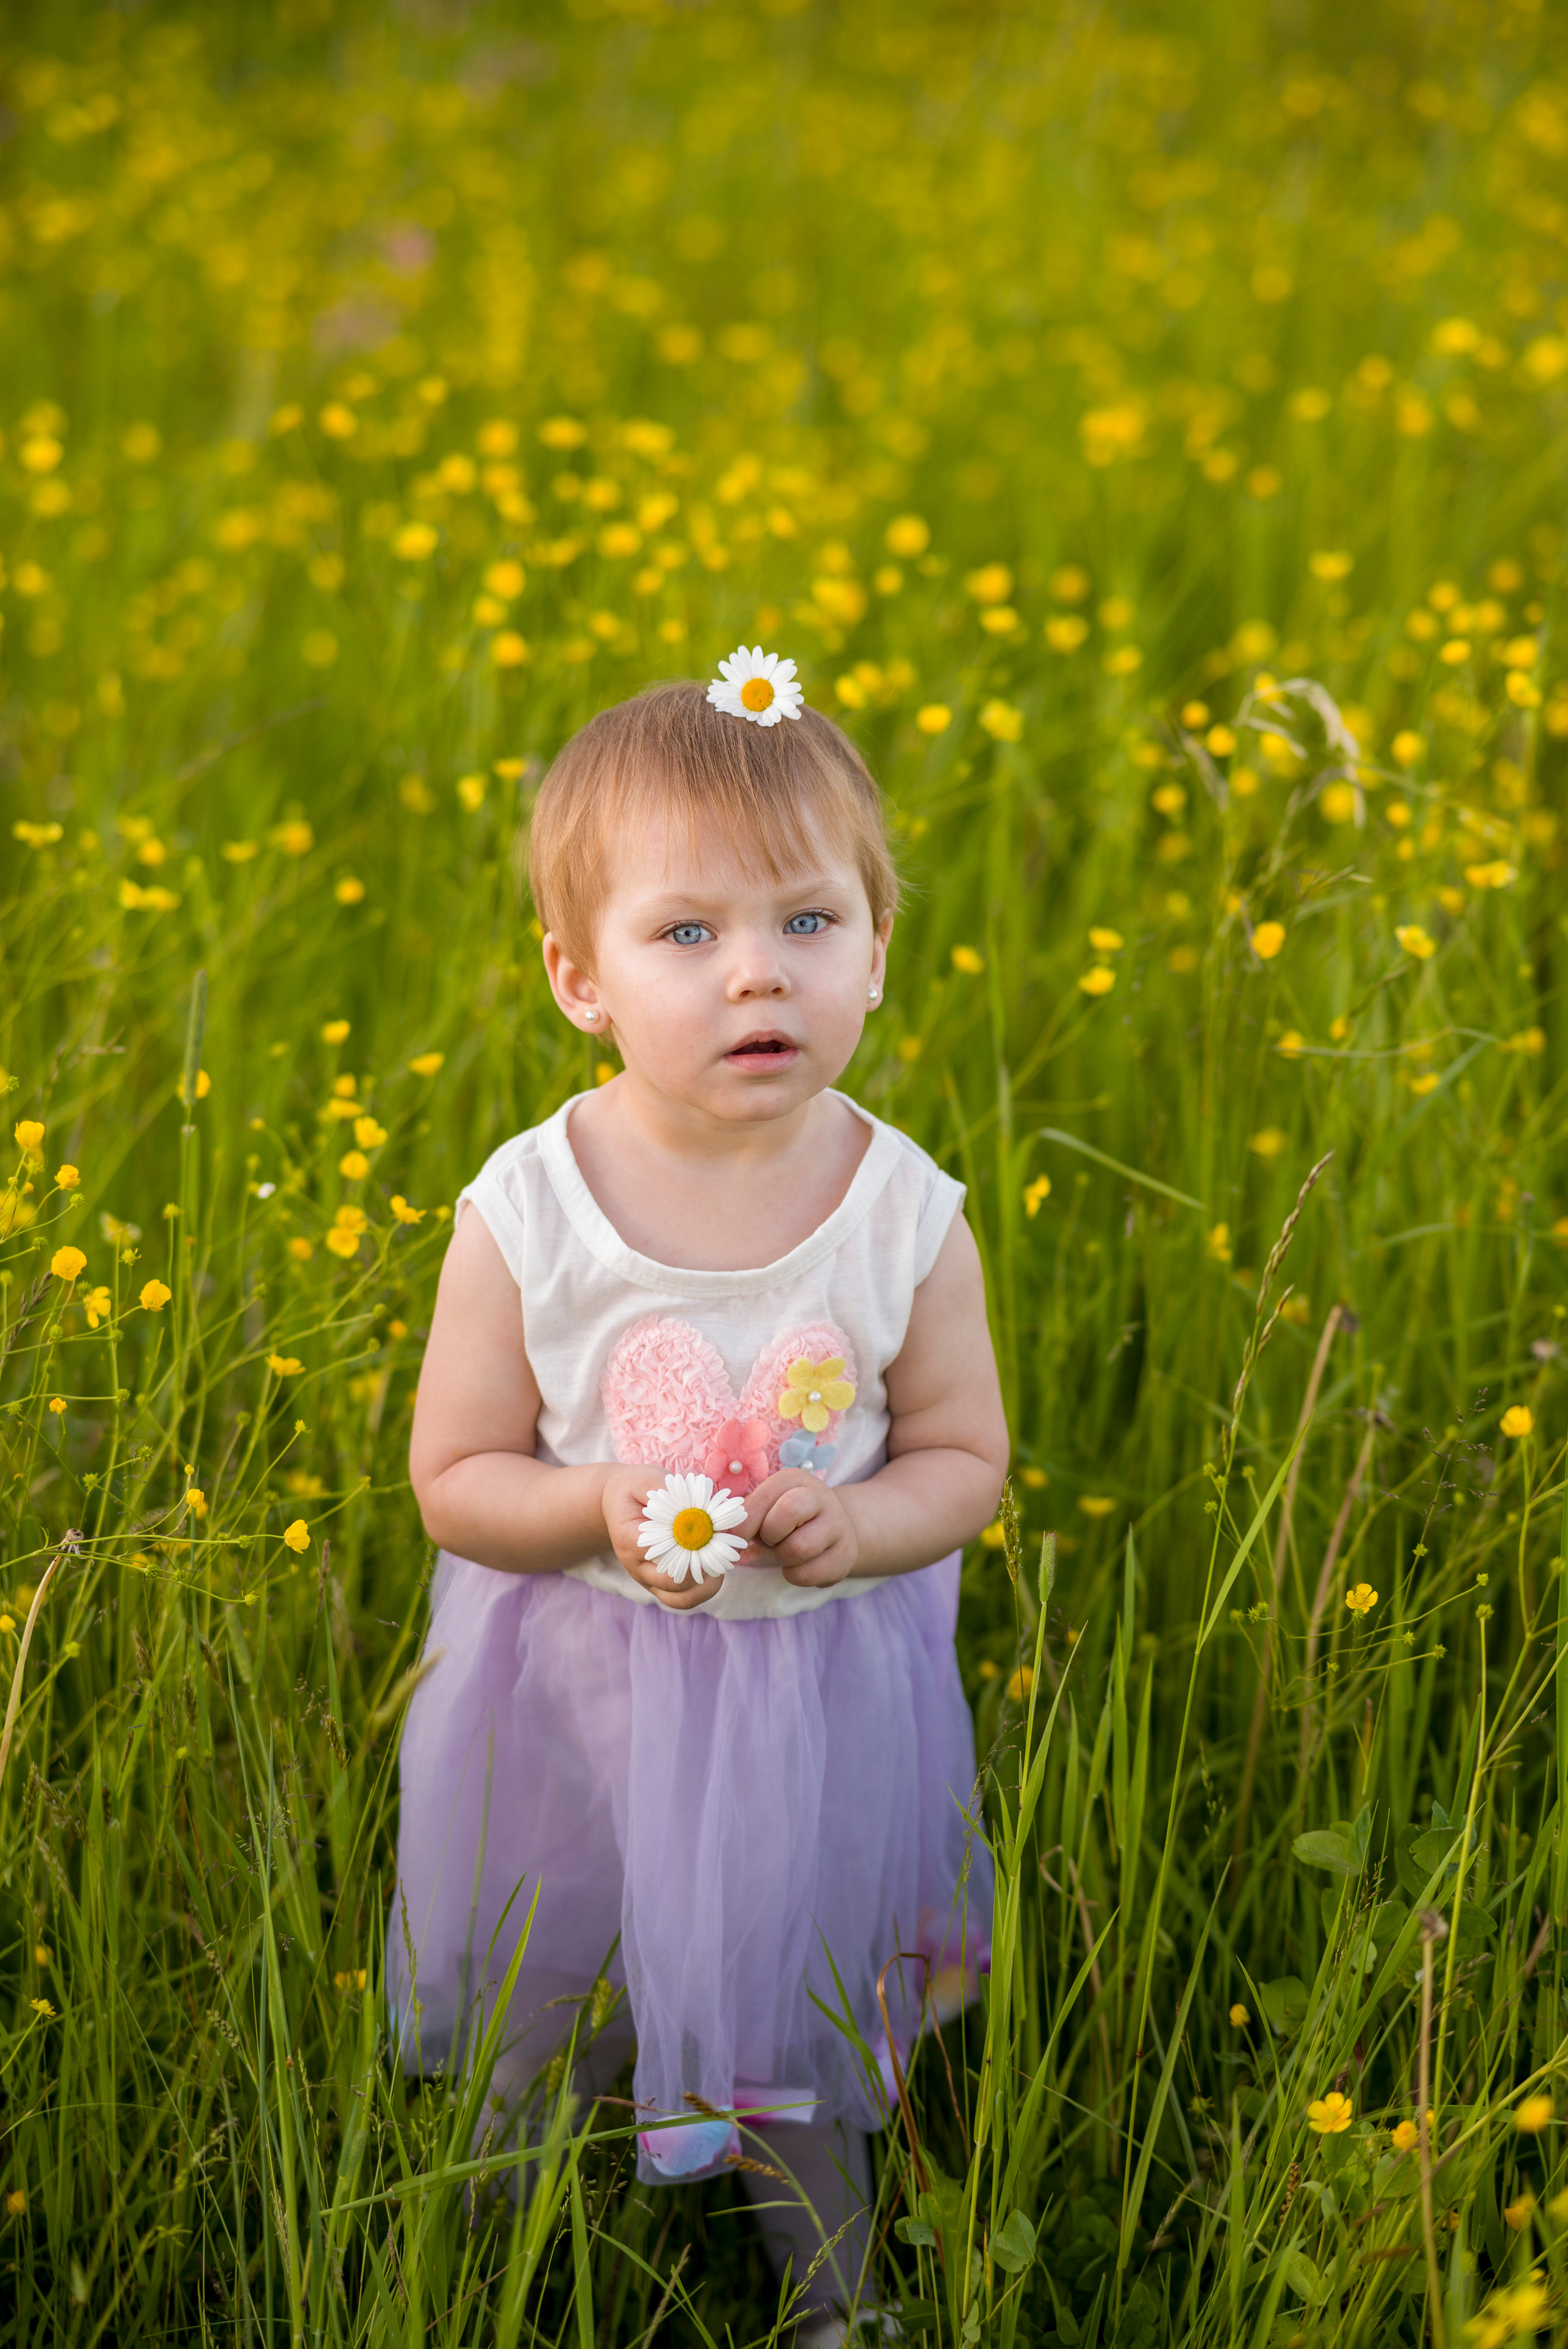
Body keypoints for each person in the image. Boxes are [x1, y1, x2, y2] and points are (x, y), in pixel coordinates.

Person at [388, 649, 1007, 2341]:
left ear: (880, 944)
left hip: (812, 1704)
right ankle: (499, 2250)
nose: (760, 974)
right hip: (582, 1702)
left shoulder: (904, 1212)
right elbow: (455, 1477)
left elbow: (965, 1450)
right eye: (689, 934)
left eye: (811, 923)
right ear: (578, 976)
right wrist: (598, 1502)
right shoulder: (530, 1209)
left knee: (789, 2017)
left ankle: (831, 2292)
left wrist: (864, 1524)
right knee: (550, 2000)